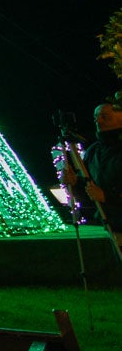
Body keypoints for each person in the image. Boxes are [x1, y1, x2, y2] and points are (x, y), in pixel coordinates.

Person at [63, 93, 122, 248]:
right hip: (108, 224)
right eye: (96, 116)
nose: (98, 120)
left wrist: (107, 197)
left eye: (105, 116)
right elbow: (88, 188)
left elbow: (103, 193)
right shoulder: (94, 151)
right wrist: (75, 183)